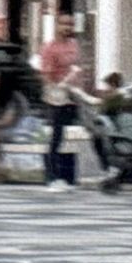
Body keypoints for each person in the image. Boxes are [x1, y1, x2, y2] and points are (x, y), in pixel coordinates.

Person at [39, 14, 85, 189]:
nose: (68, 28)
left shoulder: (74, 45)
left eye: (71, 24)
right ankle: (52, 177)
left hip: (74, 95)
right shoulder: (49, 48)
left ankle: (106, 168)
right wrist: (56, 90)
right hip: (57, 96)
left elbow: (78, 68)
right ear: (57, 25)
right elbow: (46, 76)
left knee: (90, 127)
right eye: (64, 24)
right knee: (56, 135)